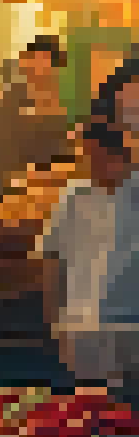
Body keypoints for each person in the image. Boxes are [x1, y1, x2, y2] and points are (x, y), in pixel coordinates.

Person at [39, 120, 139, 390]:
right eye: (86, 158)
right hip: (84, 328)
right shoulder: (73, 197)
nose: (89, 167)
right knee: (91, 410)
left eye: (96, 159)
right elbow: (51, 260)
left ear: (120, 157)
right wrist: (55, 324)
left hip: (130, 326)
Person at [0, 36, 73, 190]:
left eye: (43, 63)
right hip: (6, 184)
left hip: (43, 187)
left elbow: (59, 156)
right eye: (32, 61)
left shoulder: (59, 109)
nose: (35, 69)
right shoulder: (10, 99)